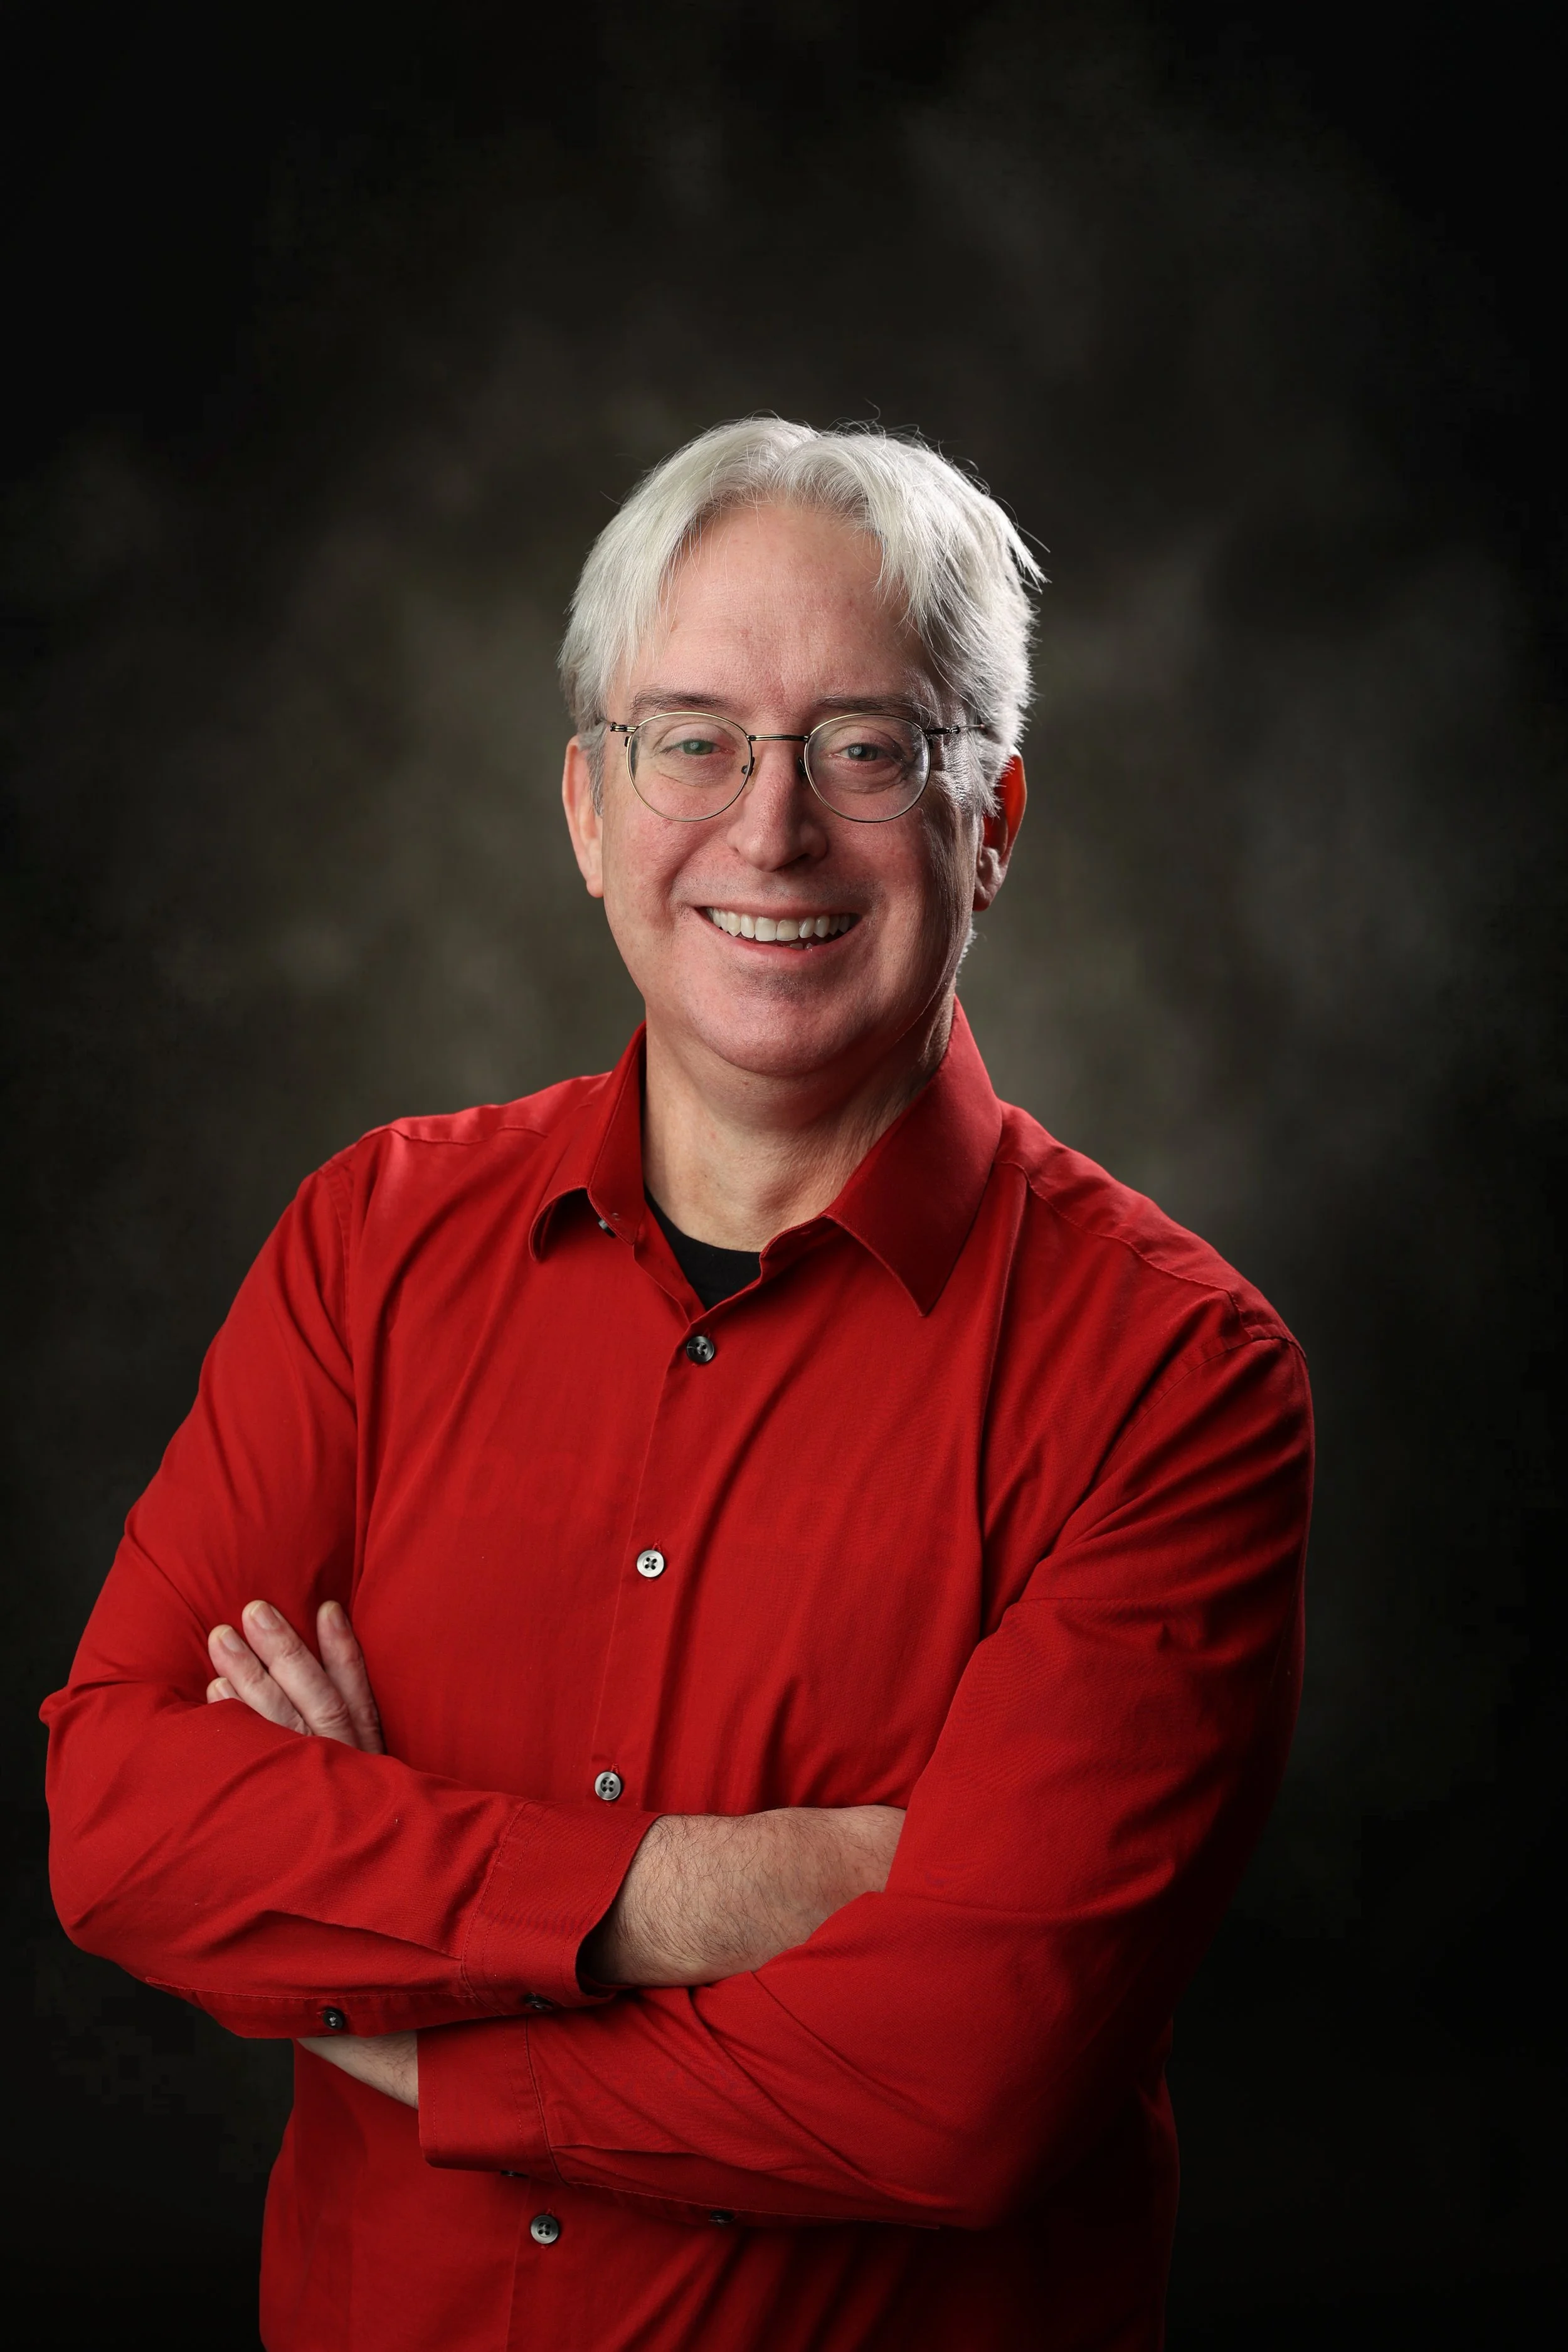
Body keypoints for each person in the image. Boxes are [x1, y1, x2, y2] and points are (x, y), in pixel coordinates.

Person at [43, 418, 1312, 2352]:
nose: (769, 825)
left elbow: (957, 2090)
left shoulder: (1176, 1380)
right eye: (692, 737)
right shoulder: (366, 1244)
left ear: (993, 822)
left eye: (863, 747)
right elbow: (123, 1818)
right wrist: (693, 1894)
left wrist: (392, 1986)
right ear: (585, 808)